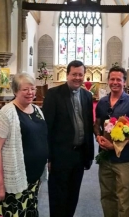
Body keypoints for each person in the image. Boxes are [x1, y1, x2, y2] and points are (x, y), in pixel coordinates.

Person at [0, 72, 48, 216]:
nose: (30, 93)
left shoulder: (37, 110)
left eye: (32, 89)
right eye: (25, 89)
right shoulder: (5, 114)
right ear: (15, 91)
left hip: (32, 179)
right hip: (12, 182)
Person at [42, 60, 94, 217]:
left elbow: (88, 125)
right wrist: (49, 157)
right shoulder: (53, 94)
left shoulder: (86, 95)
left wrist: (89, 154)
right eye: (74, 74)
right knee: (58, 197)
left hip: (79, 155)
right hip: (60, 155)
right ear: (67, 74)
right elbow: (47, 128)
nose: (77, 78)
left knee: (73, 195)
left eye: (80, 74)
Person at [94, 66, 129, 217]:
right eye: (112, 79)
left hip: (124, 159)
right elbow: (97, 124)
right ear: (108, 81)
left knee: (124, 198)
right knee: (107, 195)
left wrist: (115, 145)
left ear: (125, 82)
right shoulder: (102, 102)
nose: (115, 82)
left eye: (118, 80)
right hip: (105, 158)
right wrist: (98, 136)